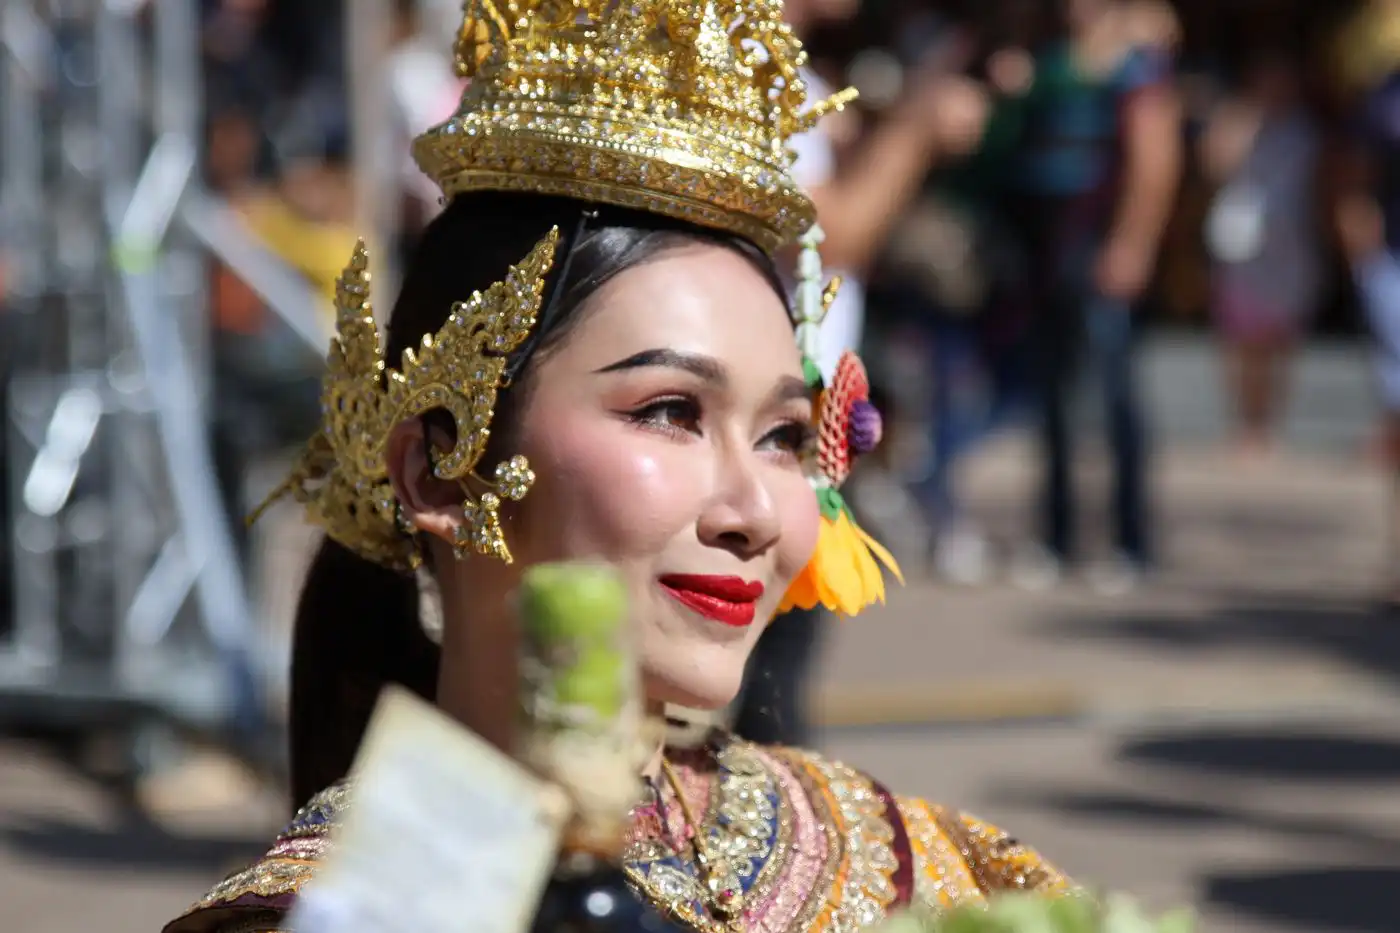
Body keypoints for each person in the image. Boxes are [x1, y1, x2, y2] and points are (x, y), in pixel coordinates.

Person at [162, 2, 1072, 930]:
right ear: (439, 470)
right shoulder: (355, 911)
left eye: (783, 436)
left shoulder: (914, 862)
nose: (757, 510)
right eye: (670, 412)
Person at [1007, 0, 1182, 593]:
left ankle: (1129, 542)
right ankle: (1056, 537)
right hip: (1047, 252)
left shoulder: (1136, 64)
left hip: (1096, 246)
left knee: (1113, 398)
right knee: (1054, 399)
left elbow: (1156, 159)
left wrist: (1132, 242)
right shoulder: (1052, 59)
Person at [1201, 51, 1322, 461]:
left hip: (1290, 249)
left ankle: (1269, 426)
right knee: (1240, 339)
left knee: (1281, 340)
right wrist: (1242, 120)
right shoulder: (1240, 121)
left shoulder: (1306, 129)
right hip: (1241, 246)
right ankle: (1244, 424)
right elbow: (1215, 165)